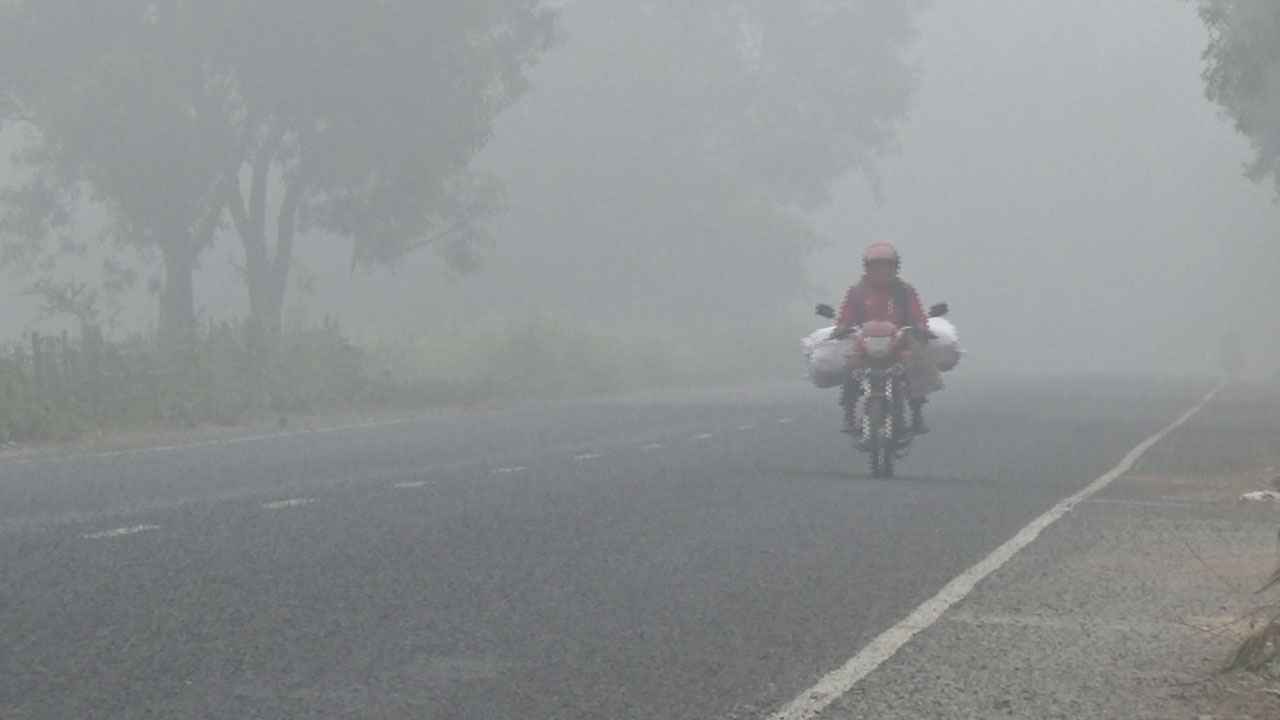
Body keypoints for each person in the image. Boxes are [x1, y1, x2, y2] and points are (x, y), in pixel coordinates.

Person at [833, 242, 942, 435]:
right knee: (852, 367)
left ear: (895, 268)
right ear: (868, 268)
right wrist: (841, 328)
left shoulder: (905, 291)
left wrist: (920, 327)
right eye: (877, 266)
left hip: (898, 343)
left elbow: (917, 314)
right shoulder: (857, 292)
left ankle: (917, 414)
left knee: (913, 363)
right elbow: (846, 316)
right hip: (865, 345)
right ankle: (848, 414)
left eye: (887, 266)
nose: (882, 271)